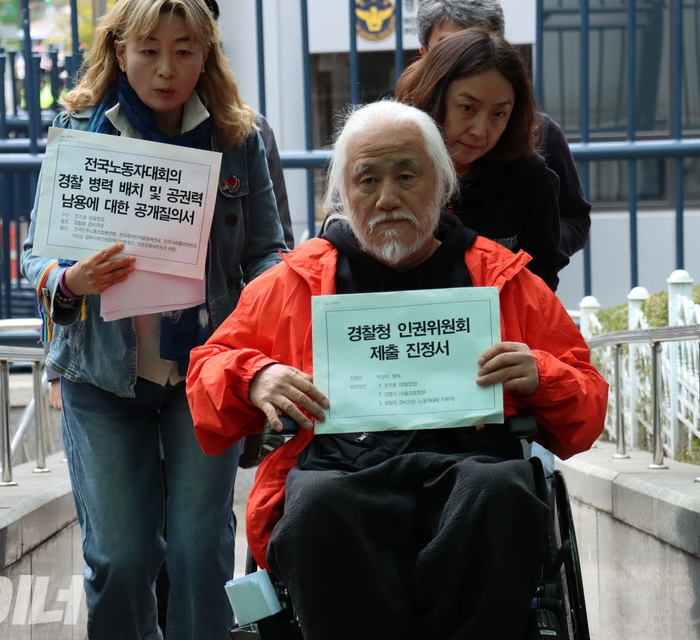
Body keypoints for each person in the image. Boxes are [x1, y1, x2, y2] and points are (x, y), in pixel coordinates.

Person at [186, 100, 608, 639]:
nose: (387, 199)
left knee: (499, 493)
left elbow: (588, 406)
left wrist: (541, 375)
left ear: (443, 186)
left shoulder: (499, 279)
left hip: (471, 457)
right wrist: (253, 376)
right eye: (367, 180)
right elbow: (207, 377)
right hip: (340, 468)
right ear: (342, 194)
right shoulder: (294, 282)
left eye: (407, 176)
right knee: (317, 505)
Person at [20, 0, 289, 638]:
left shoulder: (238, 135)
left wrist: (271, 300)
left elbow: (268, 248)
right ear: (118, 49)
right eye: (148, 50)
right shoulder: (81, 127)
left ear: (206, 53)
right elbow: (38, 257)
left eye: (184, 50)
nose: (166, 68)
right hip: (102, 378)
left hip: (203, 375)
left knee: (200, 555)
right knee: (121, 557)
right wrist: (70, 281)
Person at [395, 27, 568, 291]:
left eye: (498, 114)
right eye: (467, 108)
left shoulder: (532, 180)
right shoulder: (387, 164)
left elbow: (540, 282)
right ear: (432, 96)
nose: (480, 130)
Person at [417, 0, 592, 257]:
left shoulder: (541, 137)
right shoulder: (395, 132)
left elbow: (574, 220)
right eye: (450, 47)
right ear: (425, 54)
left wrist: (528, 247)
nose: (480, 130)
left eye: (499, 114)